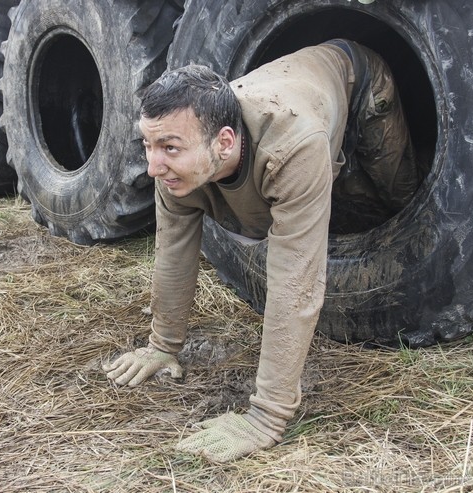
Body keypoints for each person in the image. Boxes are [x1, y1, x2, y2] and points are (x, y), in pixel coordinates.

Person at [103, 39, 419, 462]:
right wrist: (163, 346)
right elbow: (173, 251)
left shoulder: (293, 146)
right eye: (148, 145)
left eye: (170, 149)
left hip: (359, 81)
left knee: (396, 193)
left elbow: (295, 283)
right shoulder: (180, 162)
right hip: (304, 102)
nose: (152, 167)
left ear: (225, 142)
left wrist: (266, 418)